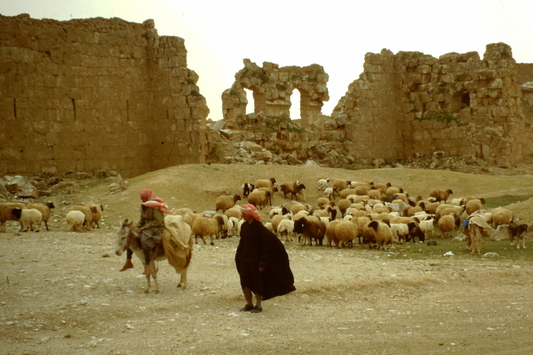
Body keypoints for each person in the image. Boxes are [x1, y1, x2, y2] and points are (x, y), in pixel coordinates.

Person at [235, 204, 296, 313]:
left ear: (250, 215)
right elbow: (242, 242)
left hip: (255, 260)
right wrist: (238, 257)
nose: (242, 215)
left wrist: (263, 262)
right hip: (244, 259)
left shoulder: (260, 229)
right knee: (244, 281)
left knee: (257, 281)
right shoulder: (244, 227)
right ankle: (249, 304)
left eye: (244, 214)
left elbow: (267, 245)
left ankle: (258, 305)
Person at [119, 188, 172, 275]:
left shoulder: (155, 207)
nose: (141, 198)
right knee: (130, 237)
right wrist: (136, 226)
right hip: (146, 227)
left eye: (142, 197)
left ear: (147, 197)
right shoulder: (144, 206)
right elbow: (142, 219)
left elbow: (158, 221)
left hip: (156, 228)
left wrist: (145, 227)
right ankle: (128, 261)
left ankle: (147, 265)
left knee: (144, 240)